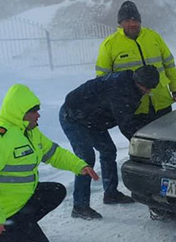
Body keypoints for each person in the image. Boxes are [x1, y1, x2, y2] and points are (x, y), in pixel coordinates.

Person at [0, 84, 99, 242]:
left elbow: (53, 153)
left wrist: (79, 165)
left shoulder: (30, 132)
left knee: (56, 191)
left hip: (14, 205)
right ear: (20, 113)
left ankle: (18, 229)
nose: (38, 115)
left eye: (37, 110)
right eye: (33, 111)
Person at [60, 65, 160, 220]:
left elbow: (129, 118)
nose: (148, 91)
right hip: (73, 117)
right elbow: (126, 125)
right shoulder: (120, 91)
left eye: (151, 88)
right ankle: (79, 206)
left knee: (108, 151)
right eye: (146, 87)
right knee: (85, 159)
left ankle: (111, 193)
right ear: (137, 81)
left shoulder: (131, 85)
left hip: (93, 120)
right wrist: (144, 149)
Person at [96, 0, 176, 129]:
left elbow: (169, 64)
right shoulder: (110, 44)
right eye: (127, 21)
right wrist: (110, 104)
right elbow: (103, 78)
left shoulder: (153, 37)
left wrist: (175, 89)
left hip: (161, 101)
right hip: (134, 106)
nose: (132, 24)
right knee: (143, 145)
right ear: (120, 23)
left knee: (167, 139)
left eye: (135, 20)